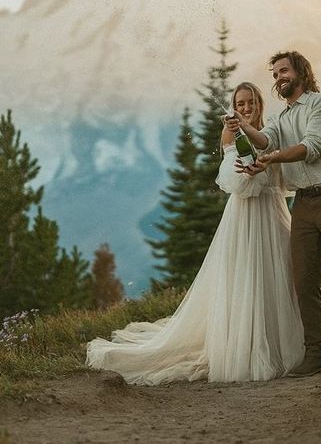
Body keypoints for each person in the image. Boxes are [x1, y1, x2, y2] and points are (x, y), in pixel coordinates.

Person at [86, 82, 306, 385]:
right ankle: (248, 347)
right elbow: (234, 184)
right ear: (234, 106)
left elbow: (284, 174)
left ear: (259, 103)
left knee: (280, 274)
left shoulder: (272, 130)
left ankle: (285, 347)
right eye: (239, 103)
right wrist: (247, 168)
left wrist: (265, 167)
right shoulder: (231, 134)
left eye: (250, 102)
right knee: (247, 276)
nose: (245, 108)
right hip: (246, 214)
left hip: (274, 210)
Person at [225, 52, 321, 377]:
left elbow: (313, 146)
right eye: (275, 74)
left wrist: (271, 159)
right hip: (303, 203)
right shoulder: (281, 118)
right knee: (304, 279)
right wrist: (242, 126)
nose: (278, 77)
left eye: (284, 71)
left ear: (301, 73)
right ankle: (317, 354)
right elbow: (266, 139)